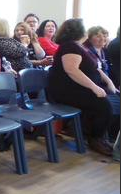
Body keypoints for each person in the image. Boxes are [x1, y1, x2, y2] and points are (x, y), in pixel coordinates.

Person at [47, 19, 116, 156]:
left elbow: (96, 68)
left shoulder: (79, 46)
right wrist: (94, 87)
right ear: (79, 31)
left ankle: (99, 136)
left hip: (78, 88)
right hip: (66, 91)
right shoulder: (70, 47)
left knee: (111, 99)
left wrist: (109, 82)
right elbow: (71, 70)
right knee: (104, 105)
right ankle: (95, 138)